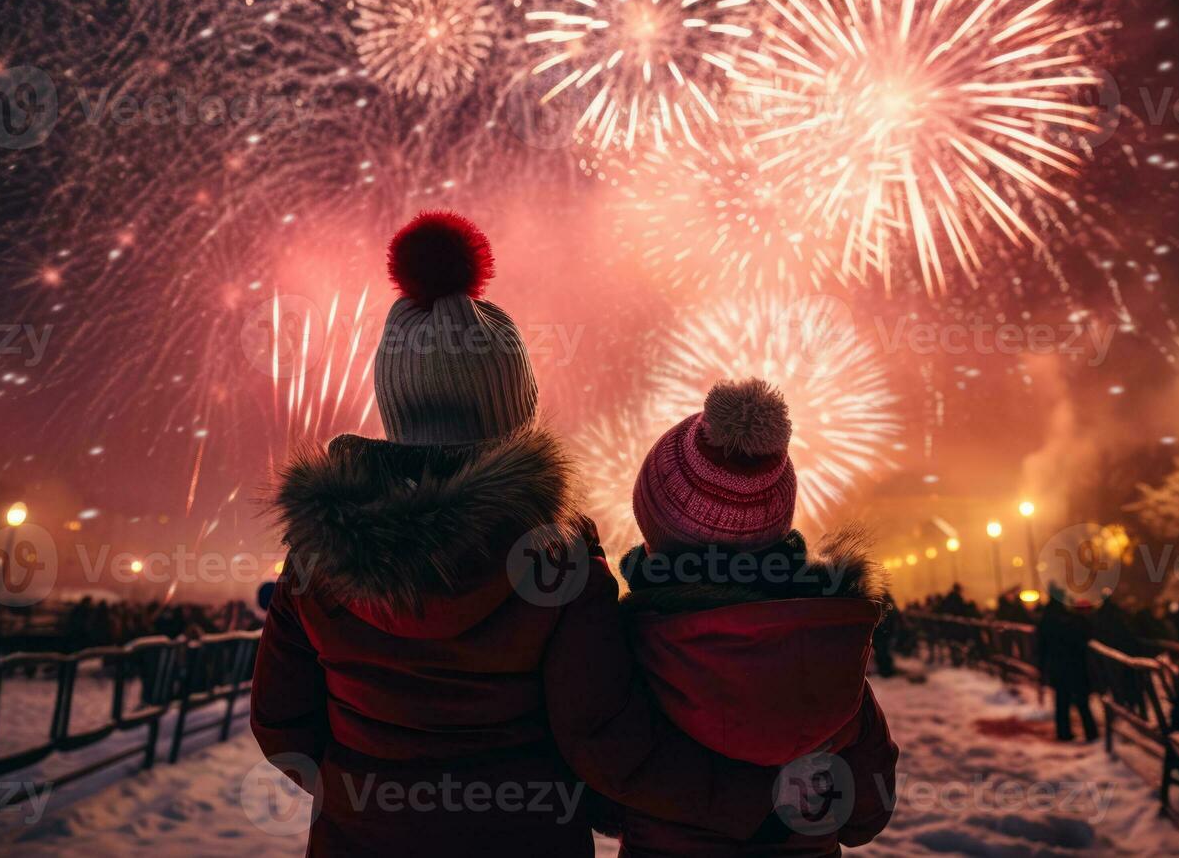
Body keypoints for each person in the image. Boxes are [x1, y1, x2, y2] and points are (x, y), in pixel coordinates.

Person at [251, 213, 783, 857]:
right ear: (514, 409)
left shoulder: (319, 548)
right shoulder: (558, 552)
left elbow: (281, 723)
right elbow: (597, 732)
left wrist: (363, 793)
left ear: (393, 403)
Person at [615, 379, 898, 856]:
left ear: (651, 524)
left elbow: (603, 792)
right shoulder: (825, 648)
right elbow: (866, 812)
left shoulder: (632, 648)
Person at [1036, 583, 1098, 742]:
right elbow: (1085, 635)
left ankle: (1063, 733)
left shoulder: (1047, 618)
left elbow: (1041, 645)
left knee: (1062, 702)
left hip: (1057, 666)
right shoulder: (1072, 618)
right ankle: (1091, 734)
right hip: (1076, 665)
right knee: (1082, 702)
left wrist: (1042, 669)